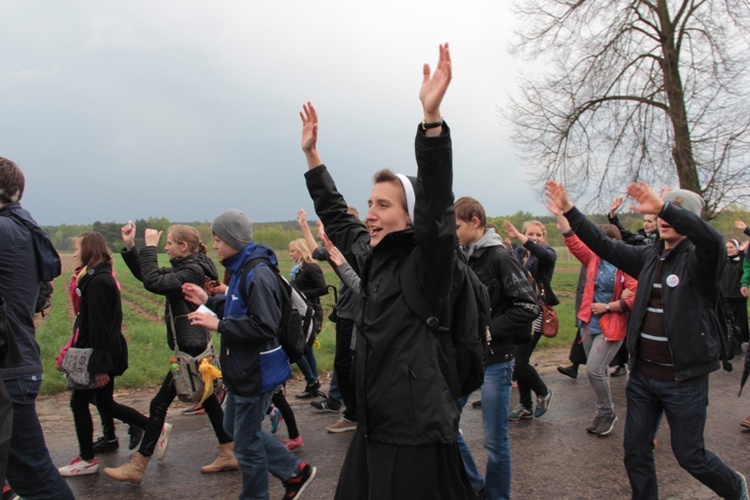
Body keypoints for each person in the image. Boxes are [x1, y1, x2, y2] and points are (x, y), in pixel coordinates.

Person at [302, 43, 475, 499]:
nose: (371, 214)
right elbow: (339, 219)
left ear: (410, 216)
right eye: (371, 203)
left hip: (415, 432)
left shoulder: (431, 265)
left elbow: (438, 205)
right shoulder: (375, 257)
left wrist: (432, 121)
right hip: (376, 424)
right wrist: (313, 157)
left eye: (383, 205)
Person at [546, 180, 748, 499]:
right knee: (635, 453)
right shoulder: (649, 257)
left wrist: (664, 206)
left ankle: (735, 487)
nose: (664, 216)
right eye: (664, 210)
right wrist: (569, 209)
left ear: (689, 220)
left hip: (684, 380)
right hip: (643, 377)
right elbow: (602, 244)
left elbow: (710, 237)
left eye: (676, 212)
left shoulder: (702, 260)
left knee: (690, 456)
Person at [183, 209, 316, 499]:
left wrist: (218, 324)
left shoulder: (257, 272)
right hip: (244, 369)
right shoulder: (243, 268)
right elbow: (239, 309)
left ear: (233, 239)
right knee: (235, 427)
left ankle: (265, 490)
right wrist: (208, 300)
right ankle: (295, 471)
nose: (214, 244)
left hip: (255, 372)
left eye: (218, 239)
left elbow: (263, 326)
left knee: (245, 445)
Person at [105, 224, 237, 483]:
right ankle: (229, 451)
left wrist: (150, 247)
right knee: (208, 398)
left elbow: (153, 282)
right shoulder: (190, 267)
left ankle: (138, 465)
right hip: (196, 345)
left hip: (190, 348)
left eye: (169, 244)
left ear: (183, 247)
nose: (166, 248)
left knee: (158, 404)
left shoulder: (191, 270)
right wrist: (132, 247)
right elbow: (149, 277)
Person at [455, 196, 539, 500]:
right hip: (468, 359)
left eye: (457, 226)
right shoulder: (464, 256)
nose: (453, 232)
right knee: (446, 421)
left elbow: (529, 306)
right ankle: (476, 486)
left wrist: (489, 329)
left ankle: (497, 496)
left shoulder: (500, 257)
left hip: (497, 361)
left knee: (494, 441)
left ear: (475, 222)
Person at [0, 157, 74, 499]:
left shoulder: (4, 231)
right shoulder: (21, 229)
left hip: (8, 371)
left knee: (36, 478)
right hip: (15, 366)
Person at [57, 232, 149, 477]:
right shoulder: (95, 278)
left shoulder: (98, 282)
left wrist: (99, 366)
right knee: (99, 403)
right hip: (102, 352)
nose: (74, 254)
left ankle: (88, 458)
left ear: (87, 251)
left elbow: (101, 327)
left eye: (77, 249)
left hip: (102, 354)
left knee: (87, 402)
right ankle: (151, 428)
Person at [552, 207, 637, 436]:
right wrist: (561, 216)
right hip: (589, 324)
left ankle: (608, 412)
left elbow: (636, 293)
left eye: (606, 240)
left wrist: (610, 305)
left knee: (594, 371)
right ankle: (602, 413)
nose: (601, 244)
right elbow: (573, 241)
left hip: (612, 327)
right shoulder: (593, 259)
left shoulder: (626, 265)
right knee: (598, 371)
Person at [298, 209, 360, 433]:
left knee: (346, 366)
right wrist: (307, 226)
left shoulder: (357, 249)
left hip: (355, 317)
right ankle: (348, 408)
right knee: (345, 366)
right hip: (345, 315)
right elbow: (315, 251)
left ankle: (353, 413)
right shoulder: (341, 247)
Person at [503, 218, 557, 420]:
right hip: (518, 313)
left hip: (536, 314)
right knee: (518, 360)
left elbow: (542, 253)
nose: (534, 238)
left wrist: (522, 239)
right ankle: (525, 405)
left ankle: (543, 392)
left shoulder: (547, 255)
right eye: (530, 233)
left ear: (544, 237)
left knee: (520, 361)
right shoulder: (516, 254)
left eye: (538, 235)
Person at [287, 238, 328, 399]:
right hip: (301, 314)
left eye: (293, 251)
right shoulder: (298, 269)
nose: (291, 255)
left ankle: (312, 381)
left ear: (301, 251)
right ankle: (313, 383)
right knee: (307, 349)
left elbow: (322, 288)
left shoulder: (312, 268)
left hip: (311, 313)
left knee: (298, 348)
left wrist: (302, 295)